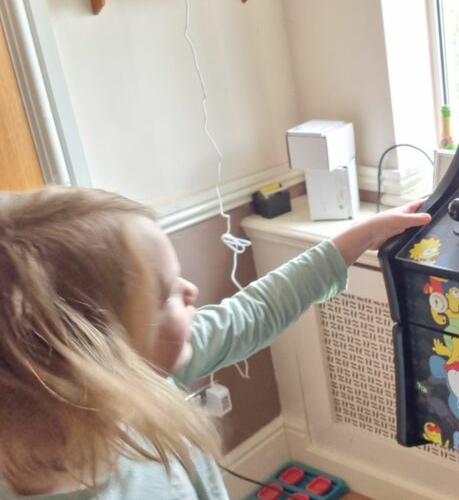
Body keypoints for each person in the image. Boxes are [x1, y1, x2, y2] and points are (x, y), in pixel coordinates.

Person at [0, 187, 431, 499]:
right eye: (165, 295)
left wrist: (360, 236)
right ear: (94, 353)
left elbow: (253, 312)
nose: (189, 290)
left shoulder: (144, 374)